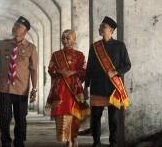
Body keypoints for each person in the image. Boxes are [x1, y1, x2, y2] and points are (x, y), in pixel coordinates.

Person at [0, 16, 38, 147]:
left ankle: (19, 142)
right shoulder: (4, 44)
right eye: (15, 25)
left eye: (19, 26)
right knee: (4, 117)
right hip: (4, 87)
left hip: (21, 88)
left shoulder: (31, 48)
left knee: (21, 118)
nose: (15, 27)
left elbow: (33, 69)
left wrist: (35, 89)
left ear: (25, 31)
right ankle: (5, 142)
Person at [84, 16, 131, 147]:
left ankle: (114, 143)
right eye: (100, 26)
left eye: (103, 26)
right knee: (96, 117)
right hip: (97, 86)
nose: (100, 28)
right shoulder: (94, 47)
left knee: (114, 119)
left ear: (111, 30)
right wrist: (86, 86)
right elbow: (89, 68)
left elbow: (127, 65)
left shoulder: (120, 46)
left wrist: (115, 72)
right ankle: (96, 142)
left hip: (113, 88)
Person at [46, 29, 90, 147]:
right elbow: (50, 69)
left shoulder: (80, 55)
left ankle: (74, 137)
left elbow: (84, 70)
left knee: (74, 114)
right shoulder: (56, 55)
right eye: (63, 38)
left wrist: (73, 72)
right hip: (60, 90)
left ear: (74, 40)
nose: (64, 41)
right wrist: (59, 71)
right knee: (61, 113)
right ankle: (66, 140)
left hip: (74, 90)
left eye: (67, 38)